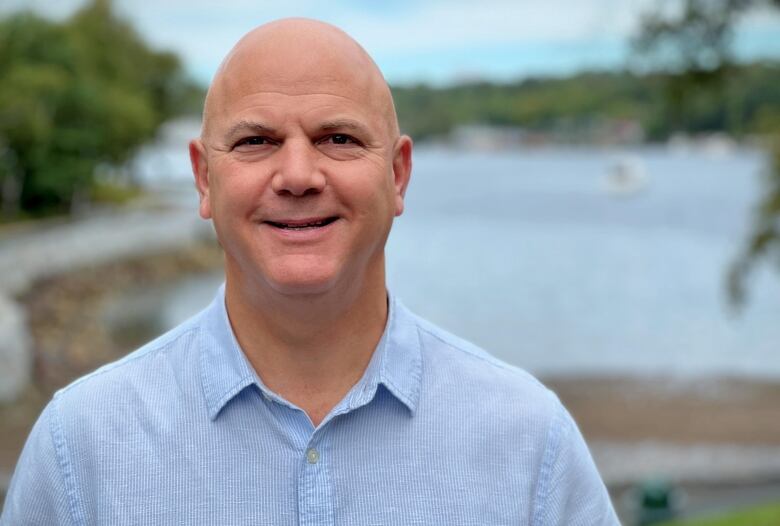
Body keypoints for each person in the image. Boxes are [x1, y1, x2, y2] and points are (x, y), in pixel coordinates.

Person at [1, 18, 619, 525]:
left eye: (338, 139)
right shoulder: (79, 448)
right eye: (256, 141)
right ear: (203, 178)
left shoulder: (530, 444)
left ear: (398, 175)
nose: (298, 176)